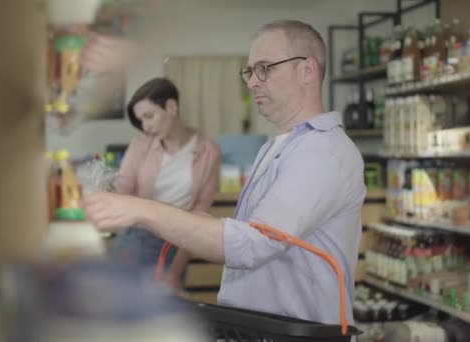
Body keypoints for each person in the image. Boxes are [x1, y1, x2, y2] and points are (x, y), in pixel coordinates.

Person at [82, 20, 365, 326]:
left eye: (265, 68)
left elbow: (253, 243)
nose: (252, 82)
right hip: (259, 327)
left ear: (307, 70)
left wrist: (142, 210)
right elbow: (253, 231)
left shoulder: (323, 150)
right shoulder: (277, 147)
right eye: (250, 71)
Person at [110, 77, 221, 289]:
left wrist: (176, 269)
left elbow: (200, 214)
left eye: (149, 116)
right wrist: (106, 188)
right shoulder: (139, 147)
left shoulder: (209, 151)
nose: (145, 126)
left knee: (167, 312)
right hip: (139, 238)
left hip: (179, 242)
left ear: (171, 106)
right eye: (140, 121)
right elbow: (122, 191)